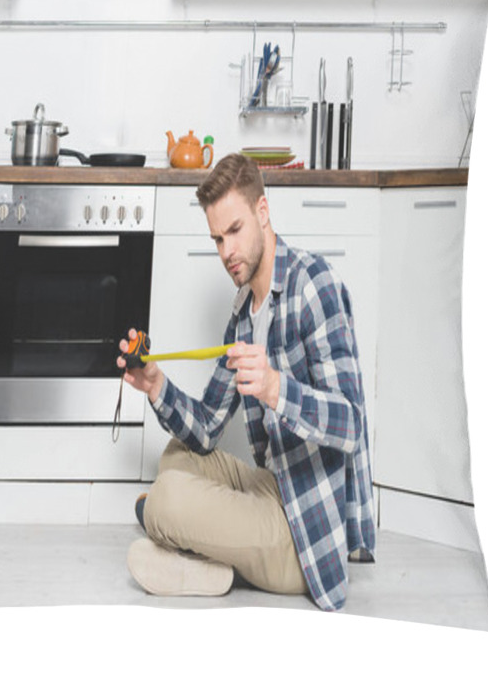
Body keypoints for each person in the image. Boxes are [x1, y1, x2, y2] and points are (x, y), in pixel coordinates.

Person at [117, 153, 375, 612]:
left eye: (234, 231)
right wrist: (155, 384)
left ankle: (174, 528)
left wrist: (277, 388)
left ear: (262, 212)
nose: (227, 252)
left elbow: (351, 426)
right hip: (271, 488)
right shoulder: (242, 314)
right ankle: (207, 562)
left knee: (169, 496)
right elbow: (207, 428)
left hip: (304, 534)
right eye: (217, 239)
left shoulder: (314, 285)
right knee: (176, 456)